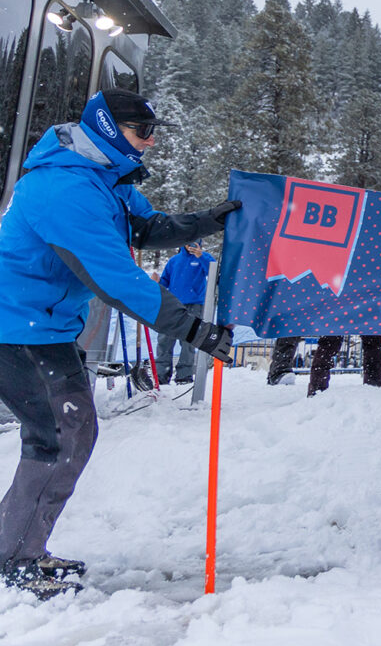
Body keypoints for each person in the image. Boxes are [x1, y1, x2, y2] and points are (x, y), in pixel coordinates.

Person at [0, 88, 236, 598]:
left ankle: (18, 549)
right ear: (108, 129)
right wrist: (195, 330)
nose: (150, 143)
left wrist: (207, 222)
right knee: (60, 436)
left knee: (68, 434)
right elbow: (117, 280)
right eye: (141, 132)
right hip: (14, 327)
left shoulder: (104, 178)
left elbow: (144, 227)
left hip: (44, 327)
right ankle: (12, 559)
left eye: (153, 132)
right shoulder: (65, 189)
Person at [155, 242, 214, 384]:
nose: (191, 245)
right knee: (165, 339)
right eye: (188, 242)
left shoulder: (204, 258)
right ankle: (161, 374)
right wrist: (156, 283)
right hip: (172, 304)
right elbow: (165, 281)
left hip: (194, 305)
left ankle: (184, 375)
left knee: (189, 341)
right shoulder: (174, 260)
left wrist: (201, 256)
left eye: (194, 242)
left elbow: (213, 273)